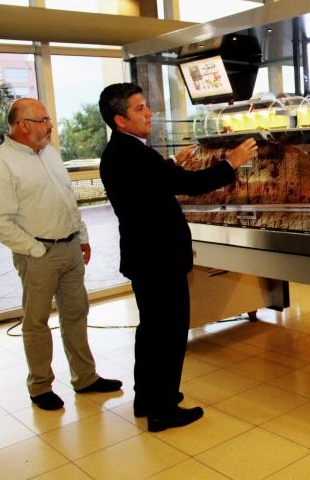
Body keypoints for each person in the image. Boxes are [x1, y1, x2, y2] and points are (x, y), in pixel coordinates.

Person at [98, 83, 258, 432]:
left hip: (144, 257)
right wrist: (232, 163)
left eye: (147, 106)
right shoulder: (134, 154)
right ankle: (164, 409)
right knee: (168, 335)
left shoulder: (119, 152)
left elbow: (155, 182)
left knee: (151, 331)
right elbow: (190, 185)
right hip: (159, 258)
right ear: (120, 119)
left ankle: (147, 398)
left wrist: (172, 163)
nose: (149, 113)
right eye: (140, 108)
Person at [0, 98, 122, 411]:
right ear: (23, 125)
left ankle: (85, 377)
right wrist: (36, 250)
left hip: (70, 247)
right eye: (43, 120)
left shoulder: (49, 154)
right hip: (37, 254)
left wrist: (81, 237)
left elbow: (67, 201)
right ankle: (40, 386)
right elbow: (0, 221)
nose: (50, 125)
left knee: (76, 314)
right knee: (37, 322)